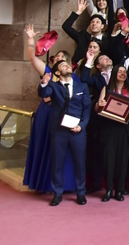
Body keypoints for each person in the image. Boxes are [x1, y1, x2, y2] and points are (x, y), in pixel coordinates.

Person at [23, 26, 76, 194]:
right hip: (46, 114)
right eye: (57, 56)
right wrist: (31, 39)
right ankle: (44, 184)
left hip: (63, 116)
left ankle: (62, 185)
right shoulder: (47, 72)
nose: (59, 58)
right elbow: (32, 58)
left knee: (61, 151)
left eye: (63, 57)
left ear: (68, 62)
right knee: (45, 147)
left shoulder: (73, 78)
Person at [36, 55, 91, 206]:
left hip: (77, 131)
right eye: (62, 66)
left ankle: (80, 193)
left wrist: (82, 125)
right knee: (57, 163)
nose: (66, 66)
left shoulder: (82, 87)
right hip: (59, 131)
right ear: (57, 73)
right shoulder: (53, 86)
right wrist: (43, 83)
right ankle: (57, 193)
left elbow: (87, 108)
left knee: (79, 163)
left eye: (67, 64)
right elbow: (44, 94)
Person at [97, 64, 129, 202]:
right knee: (109, 161)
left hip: (124, 131)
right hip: (110, 129)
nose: (122, 74)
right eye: (119, 71)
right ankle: (108, 190)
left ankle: (119, 190)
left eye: (124, 72)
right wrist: (100, 104)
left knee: (122, 161)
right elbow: (97, 108)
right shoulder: (106, 88)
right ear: (114, 73)